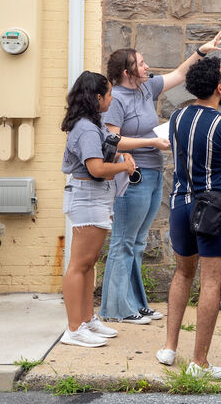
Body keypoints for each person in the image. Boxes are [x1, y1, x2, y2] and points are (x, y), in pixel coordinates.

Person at [99, 31, 221, 326]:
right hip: (133, 174)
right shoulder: (117, 98)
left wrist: (202, 51)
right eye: (141, 64)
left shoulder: (147, 88)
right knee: (123, 241)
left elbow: (180, 74)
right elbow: (112, 140)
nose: (147, 67)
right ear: (128, 72)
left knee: (139, 241)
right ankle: (116, 307)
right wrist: (151, 143)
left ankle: (135, 303)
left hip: (153, 172)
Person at [155, 56, 221, 378]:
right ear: (219, 87)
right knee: (211, 282)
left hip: (180, 204)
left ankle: (169, 348)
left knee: (182, 274)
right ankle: (200, 362)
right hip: (213, 207)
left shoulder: (177, 117)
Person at [59, 71, 137, 347]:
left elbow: (105, 153)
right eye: (108, 94)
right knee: (79, 264)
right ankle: (73, 328)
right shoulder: (86, 128)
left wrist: (120, 155)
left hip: (96, 198)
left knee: (89, 262)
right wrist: (124, 166)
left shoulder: (94, 124)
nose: (112, 98)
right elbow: (96, 168)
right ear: (97, 98)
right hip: (88, 198)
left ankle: (87, 319)